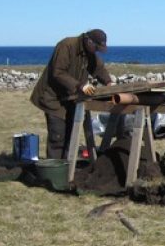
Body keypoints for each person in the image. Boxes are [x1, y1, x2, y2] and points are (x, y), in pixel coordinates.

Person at [30, 29, 113, 159]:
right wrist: (80, 86)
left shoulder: (89, 51)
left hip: (71, 98)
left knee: (70, 136)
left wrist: (109, 83)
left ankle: (67, 169)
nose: (97, 51)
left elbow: (98, 68)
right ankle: (54, 173)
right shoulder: (66, 45)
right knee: (57, 136)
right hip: (53, 98)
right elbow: (58, 72)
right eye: (96, 47)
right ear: (89, 41)